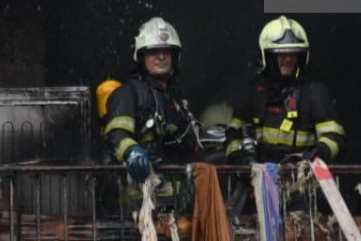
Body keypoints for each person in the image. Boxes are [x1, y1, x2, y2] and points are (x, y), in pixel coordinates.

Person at [225, 16, 345, 165]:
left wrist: (317, 155)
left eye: (292, 54)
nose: (288, 59)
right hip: (259, 182)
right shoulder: (254, 92)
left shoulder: (314, 92)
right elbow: (233, 135)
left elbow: (335, 137)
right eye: (281, 54)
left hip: (302, 183)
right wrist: (241, 162)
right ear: (267, 57)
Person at [102, 17, 201, 189]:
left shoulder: (175, 99)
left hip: (179, 200)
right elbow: (116, 135)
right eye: (153, 51)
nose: (161, 56)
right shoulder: (129, 93)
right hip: (142, 202)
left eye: (166, 51)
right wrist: (131, 152)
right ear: (141, 57)